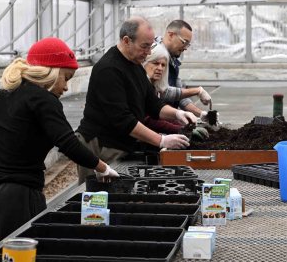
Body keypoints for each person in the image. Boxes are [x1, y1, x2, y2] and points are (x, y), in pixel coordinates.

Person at [0, 37, 119, 252]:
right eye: (65, 78)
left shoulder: (2, 97)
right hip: (19, 200)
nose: (66, 87)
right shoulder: (44, 100)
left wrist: (6, 172)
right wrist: (102, 167)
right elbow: (68, 142)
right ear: (52, 71)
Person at [75, 16, 196, 183]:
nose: (148, 52)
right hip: (101, 147)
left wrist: (177, 114)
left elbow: (153, 104)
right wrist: (161, 140)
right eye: (144, 46)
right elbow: (123, 120)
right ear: (126, 41)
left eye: (150, 45)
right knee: (98, 198)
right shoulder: (108, 69)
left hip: (121, 144)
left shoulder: (135, 64)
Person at [143, 44, 209, 141]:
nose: (160, 68)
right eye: (155, 63)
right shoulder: (142, 86)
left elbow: (161, 114)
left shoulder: (156, 86)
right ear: (144, 63)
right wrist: (181, 129)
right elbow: (148, 120)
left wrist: (187, 124)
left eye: (163, 65)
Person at [157, 19, 212, 120]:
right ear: (171, 35)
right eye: (184, 42)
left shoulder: (172, 58)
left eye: (188, 44)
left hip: (167, 117)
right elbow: (163, 92)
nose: (186, 48)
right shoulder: (154, 55)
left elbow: (179, 94)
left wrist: (201, 114)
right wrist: (197, 91)